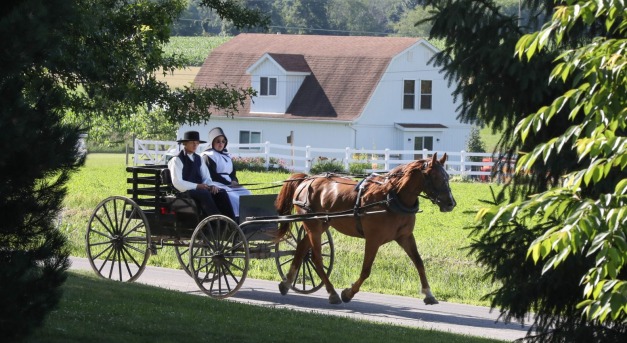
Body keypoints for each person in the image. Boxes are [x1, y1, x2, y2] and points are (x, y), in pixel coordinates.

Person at [168, 130, 236, 221]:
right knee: (204, 193)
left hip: (199, 190)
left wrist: (211, 185)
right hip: (184, 191)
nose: (195, 145)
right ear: (185, 143)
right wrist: (197, 186)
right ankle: (217, 221)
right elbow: (177, 182)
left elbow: (206, 177)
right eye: (192, 142)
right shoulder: (177, 160)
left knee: (221, 192)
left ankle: (232, 220)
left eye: (197, 143)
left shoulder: (199, 159)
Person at [201, 127, 251, 221]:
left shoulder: (227, 156)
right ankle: (236, 219)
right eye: (218, 141)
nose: (221, 144)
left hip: (229, 184)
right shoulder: (208, 156)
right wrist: (228, 182)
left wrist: (234, 181)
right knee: (234, 198)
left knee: (247, 193)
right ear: (212, 142)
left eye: (223, 141)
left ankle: (248, 216)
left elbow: (232, 172)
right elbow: (212, 175)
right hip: (216, 183)